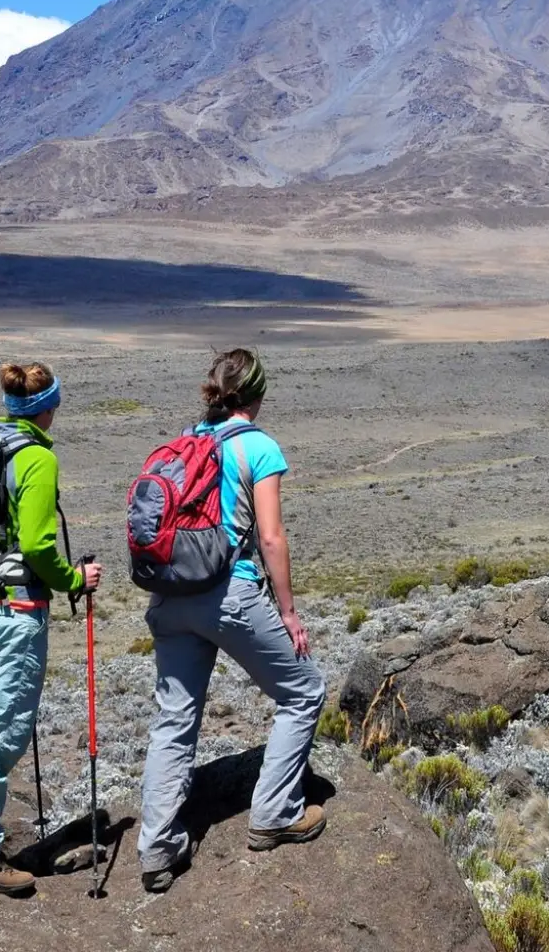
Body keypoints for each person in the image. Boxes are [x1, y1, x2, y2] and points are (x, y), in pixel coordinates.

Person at [138, 349, 326, 894]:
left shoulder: (187, 440)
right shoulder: (258, 446)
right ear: (257, 395)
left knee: (174, 719)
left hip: (171, 596)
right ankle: (275, 813)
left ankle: (157, 850)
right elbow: (271, 538)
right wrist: (288, 612)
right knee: (304, 692)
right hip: (229, 594)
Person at [0, 361, 103, 895]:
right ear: (48, 406)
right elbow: (36, 544)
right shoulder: (36, 457)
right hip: (13, 611)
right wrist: (74, 578)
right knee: (1, 731)